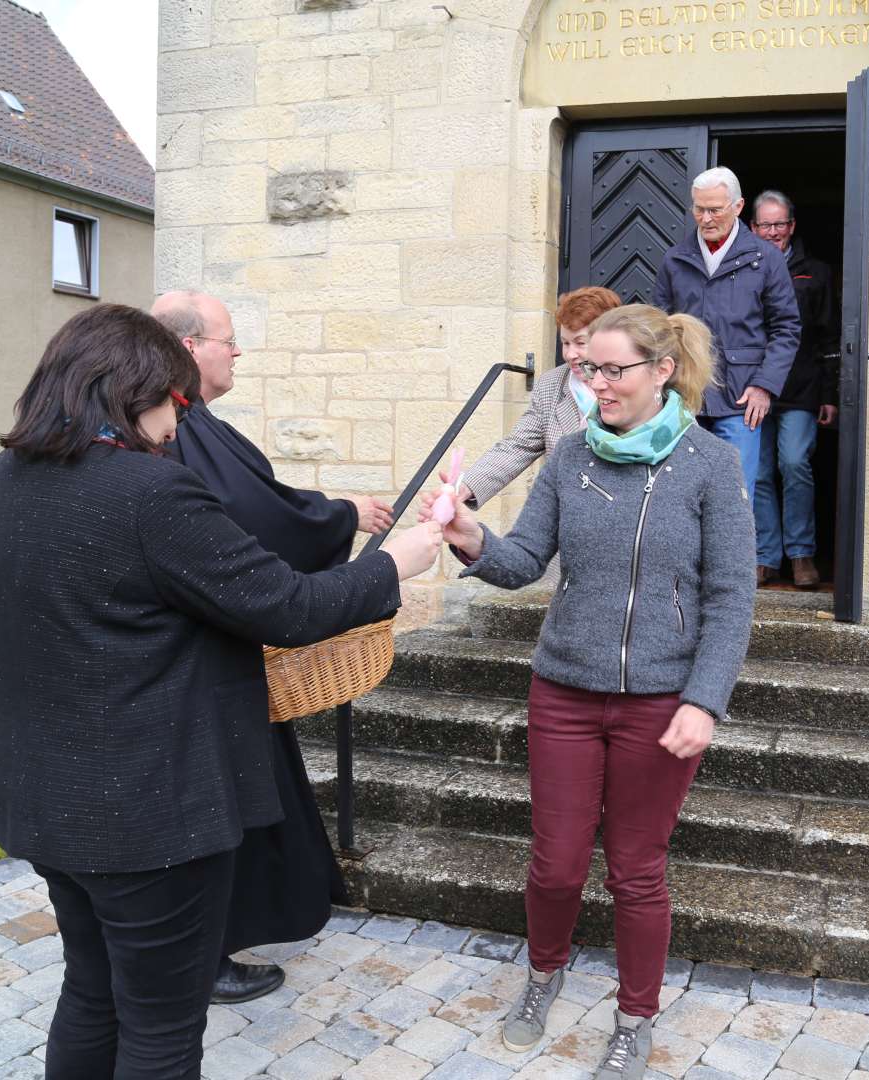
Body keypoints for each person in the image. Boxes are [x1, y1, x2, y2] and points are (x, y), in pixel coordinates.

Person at [0, 303, 443, 1079]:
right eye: (176, 404)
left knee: (92, 992)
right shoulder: (152, 494)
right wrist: (401, 560)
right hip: (149, 817)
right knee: (160, 1027)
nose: (179, 425)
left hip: (43, 797)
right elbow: (289, 605)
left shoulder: (2, 484)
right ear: (135, 390)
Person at [431, 304, 754, 1080]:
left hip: (660, 700)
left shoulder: (711, 464)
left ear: (661, 373)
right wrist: (470, 536)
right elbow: (524, 562)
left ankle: (634, 1016)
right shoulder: (570, 458)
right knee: (556, 864)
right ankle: (544, 974)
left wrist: (703, 701)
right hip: (566, 692)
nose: (595, 383)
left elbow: (731, 596)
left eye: (612, 370)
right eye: (587, 368)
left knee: (637, 869)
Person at [151, 289, 391, 1004]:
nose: (239, 352)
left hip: (213, 664)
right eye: (228, 339)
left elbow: (261, 497)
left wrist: (332, 512)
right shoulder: (177, 428)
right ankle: (203, 954)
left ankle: (208, 945)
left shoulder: (190, 422)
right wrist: (347, 524)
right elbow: (255, 517)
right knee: (220, 813)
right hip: (200, 670)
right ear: (190, 348)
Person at [652, 166, 800, 502]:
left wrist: (764, 386)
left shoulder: (767, 258)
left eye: (714, 209)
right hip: (685, 396)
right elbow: (659, 328)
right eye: (699, 209)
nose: (705, 218)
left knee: (734, 496)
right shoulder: (675, 259)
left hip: (741, 399)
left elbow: (787, 328)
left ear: (737, 206)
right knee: (680, 496)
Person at [454, 286, 621, 509]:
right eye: (565, 343)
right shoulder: (551, 385)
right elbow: (517, 446)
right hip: (569, 517)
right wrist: (465, 487)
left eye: (580, 343)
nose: (570, 354)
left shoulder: (634, 382)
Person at [749, 190, 840, 589]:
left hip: (801, 388)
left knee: (794, 465)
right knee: (761, 472)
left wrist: (830, 393)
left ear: (792, 226)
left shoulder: (815, 272)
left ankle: (801, 555)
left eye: (779, 224)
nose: (773, 232)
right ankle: (765, 558)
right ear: (752, 227)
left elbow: (831, 336)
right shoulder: (742, 267)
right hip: (751, 388)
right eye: (765, 225)